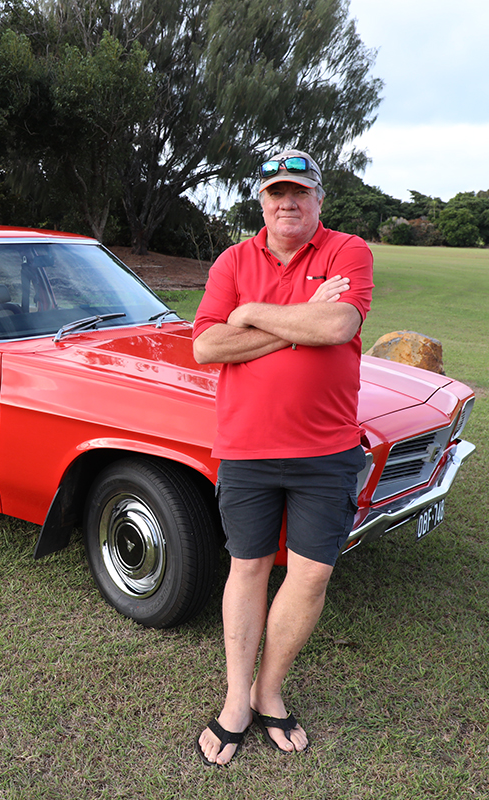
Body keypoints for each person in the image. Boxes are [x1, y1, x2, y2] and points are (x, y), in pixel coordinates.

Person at [191, 148, 374, 766]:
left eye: (300, 193)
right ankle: (236, 699)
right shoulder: (232, 260)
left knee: (312, 573)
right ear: (262, 202)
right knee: (247, 567)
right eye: (276, 194)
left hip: (327, 450)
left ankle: (270, 692)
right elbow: (208, 346)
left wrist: (251, 317)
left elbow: (339, 328)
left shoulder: (348, 251)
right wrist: (299, 317)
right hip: (246, 448)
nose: (287, 203)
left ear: (319, 199)